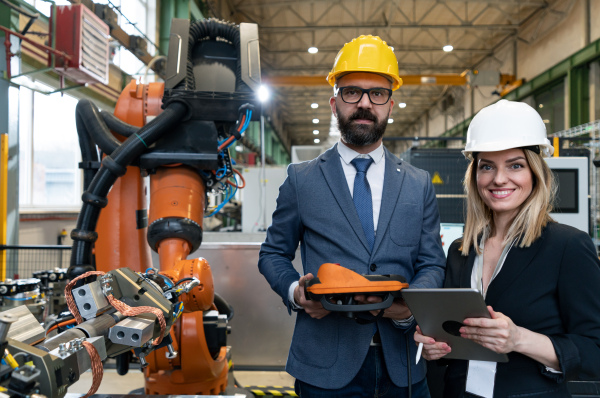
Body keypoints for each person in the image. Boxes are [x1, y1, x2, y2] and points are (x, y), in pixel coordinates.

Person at [258, 35, 446, 397]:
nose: (364, 104)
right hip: (324, 366)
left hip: (403, 363)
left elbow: (431, 262)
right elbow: (273, 254)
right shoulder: (302, 179)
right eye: (351, 92)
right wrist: (297, 292)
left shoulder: (417, 183)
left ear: (390, 105)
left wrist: (409, 309)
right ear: (334, 103)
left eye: (377, 93)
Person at [415, 99, 600, 397]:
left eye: (515, 165)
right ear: (475, 176)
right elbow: (450, 337)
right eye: (487, 166)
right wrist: (434, 348)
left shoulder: (568, 247)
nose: (499, 179)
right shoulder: (462, 250)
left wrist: (519, 339)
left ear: (535, 173)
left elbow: (594, 351)